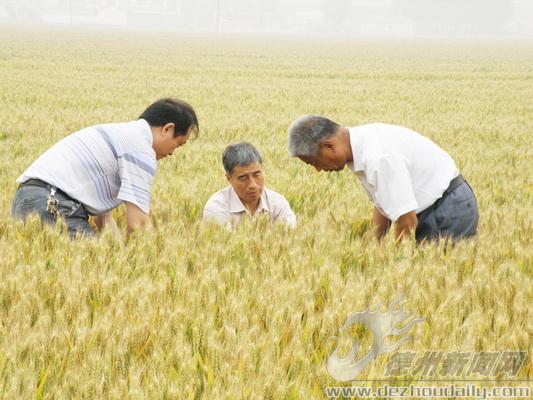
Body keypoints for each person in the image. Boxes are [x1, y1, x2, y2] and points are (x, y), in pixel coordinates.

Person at [12, 98, 198, 238]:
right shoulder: (140, 148)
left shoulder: (120, 135)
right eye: (179, 144)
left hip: (28, 197)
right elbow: (138, 226)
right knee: (89, 266)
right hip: (53, 202)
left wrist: (118, 261)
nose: (173, 153)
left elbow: (103, 219)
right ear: (167, 129)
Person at [287, 116, 479, 243]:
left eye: (314, 162)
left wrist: (395, 268)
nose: (319, 170)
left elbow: (407, 221)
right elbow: (385, 203)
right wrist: (371, 247)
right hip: (439, 204)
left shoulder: (378, 158)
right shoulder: (361, 145)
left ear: (329, 146)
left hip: (446, 210)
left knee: (435, 278)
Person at [203, 142, 296, 229]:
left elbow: (290, 236)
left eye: (257, 174)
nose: (253, 185)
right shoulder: (217, 207)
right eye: (243, 178)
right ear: (229, 178)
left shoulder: (277, 203)